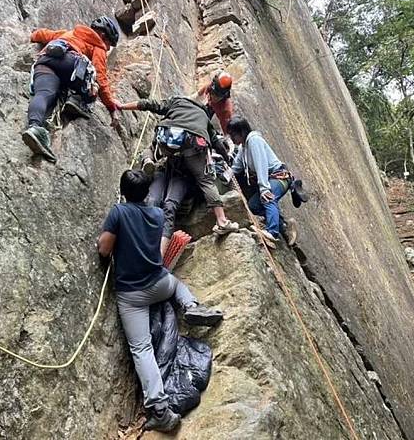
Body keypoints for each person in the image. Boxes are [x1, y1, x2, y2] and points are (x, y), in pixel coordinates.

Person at [97, 169, 223, 432]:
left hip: (132, 295)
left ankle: (161, 410)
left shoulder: (119, 212)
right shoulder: (155, 214)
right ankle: (190, 305)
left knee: (141, 348)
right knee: (176, 284)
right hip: (159, 283)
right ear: (146, 193)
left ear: (123, 192)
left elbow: (104, 248)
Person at [117, 96, 239, 255]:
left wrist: (122, 105)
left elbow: (150, 104)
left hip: (168, 141)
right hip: (189, 152)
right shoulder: (203, 118)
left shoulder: (177, 101)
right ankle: (222, 220)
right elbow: (216, 143)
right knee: (202, 183)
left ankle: (148, 159)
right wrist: (227, 158)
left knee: (154, 200)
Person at [22, 17, 121, 162]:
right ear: (103, 35)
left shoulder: (69, 33)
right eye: (108, 44)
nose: (107, 49)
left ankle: (34, 127)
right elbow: (100, 77)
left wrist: (32, 36)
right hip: (72, 63)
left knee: (43, 94)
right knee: (91, 80)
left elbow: (42, 34)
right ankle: (77, 101)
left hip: (45, 61)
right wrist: (111, 106)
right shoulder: (98, 45)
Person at [226, 116, 298, 246]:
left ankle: (272, 232)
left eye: (233, 135)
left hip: (279, 177)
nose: (232, 138)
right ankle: (285, 225)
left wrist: (264, 188)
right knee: (253, 205)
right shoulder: (244, 148)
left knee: (267, 198)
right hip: (271, 178)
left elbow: (261, 164)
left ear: (242, 132)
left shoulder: (254, 141)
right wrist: (224, 175)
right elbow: (236, 167)